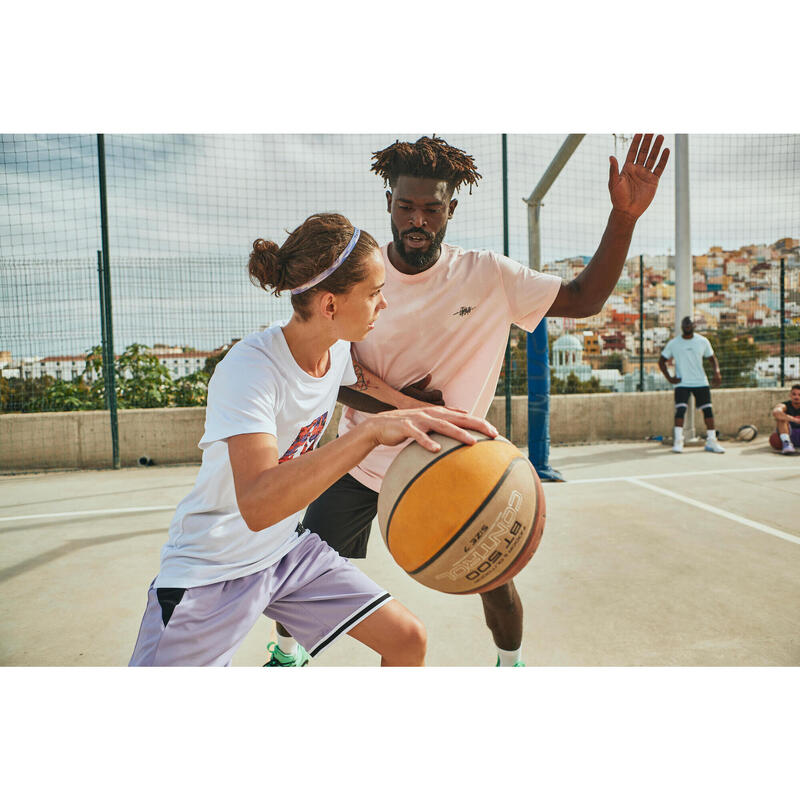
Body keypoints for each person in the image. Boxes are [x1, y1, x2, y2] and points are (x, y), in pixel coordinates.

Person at [268, 133, 670, 668]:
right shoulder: (362, 279)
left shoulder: (488, 275)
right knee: (300, 566)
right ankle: (287, 652)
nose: (418, 220)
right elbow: (333, 371)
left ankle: (512, 665)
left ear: (450, 210)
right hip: (361, 457)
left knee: (495, 575)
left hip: (453, 461)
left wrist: (624, 218)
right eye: (407, 206)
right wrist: (402, 408)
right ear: (389, 202)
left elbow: (586, 298)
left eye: (432, 209)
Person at [129, 213, 496, 666]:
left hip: (284, 553)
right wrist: (369, 436)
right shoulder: (250, 371)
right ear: (329, 306)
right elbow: (259, 503)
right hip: (213, 567)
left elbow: (358, 382)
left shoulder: (334, 347)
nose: (384, 305)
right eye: (375, 293)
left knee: (406, 640)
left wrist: (421, 412)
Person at [658, 316, 724, 454]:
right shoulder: (674, 343)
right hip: (682, 382)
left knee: (708, 411)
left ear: (694, 326)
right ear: (682, 327)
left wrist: (717, 372)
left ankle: (712, 441)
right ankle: (678, 441)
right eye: (685, 325)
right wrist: (670, 378)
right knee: (680, 410)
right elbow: (661, 361)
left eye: (690, 325)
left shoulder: (702, 341)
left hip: (700, 381)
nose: (687, 327)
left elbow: (712, 358)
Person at [771, 383, 800, 455]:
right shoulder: (785, 405)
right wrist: (794, 419)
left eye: (799, 395)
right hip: (788, 433)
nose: (796, 397)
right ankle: (786, 443)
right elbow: (776, 412)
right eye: (794, 394)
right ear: (790, 395)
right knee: (781, 419)